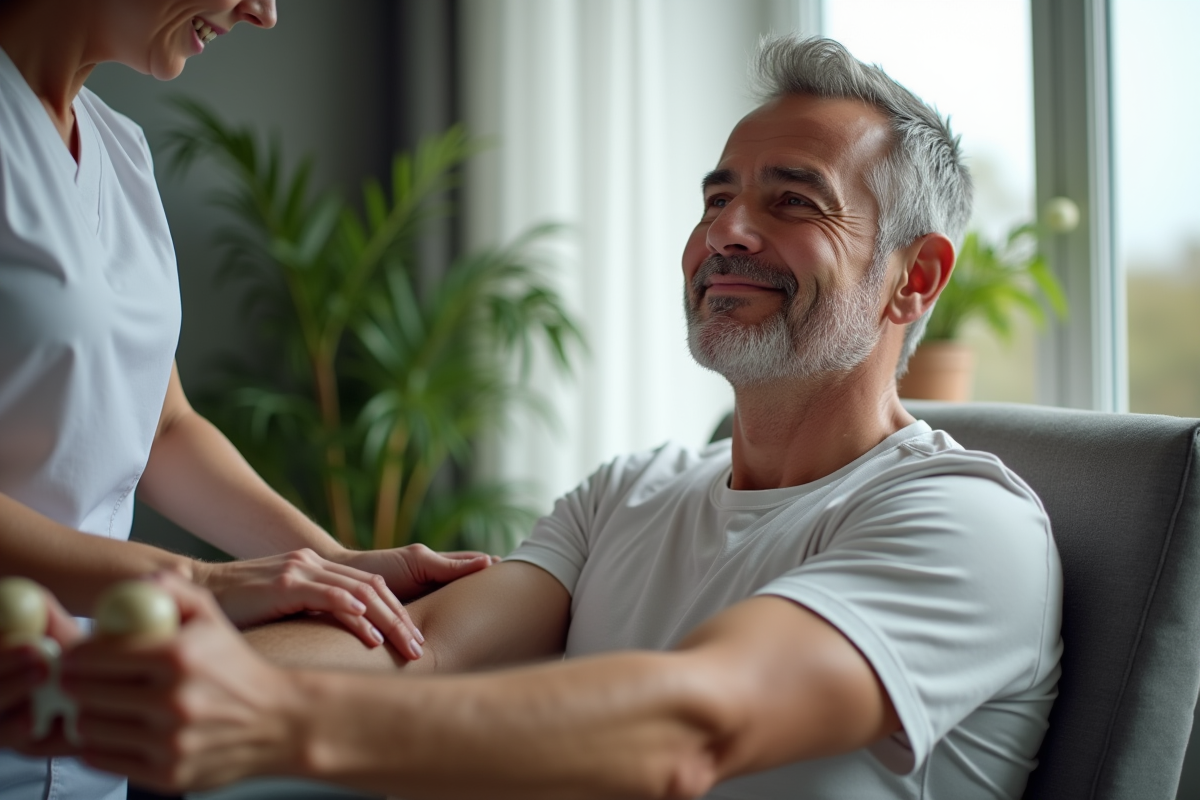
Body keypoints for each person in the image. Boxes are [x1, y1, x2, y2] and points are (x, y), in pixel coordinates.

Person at [1, 35, 1063, 800]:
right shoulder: (627, 495)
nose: (727, 232)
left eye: (793, 200)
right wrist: (102, 689)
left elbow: (689, 727)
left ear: (916, 277)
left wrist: (269, 716)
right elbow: (417, 653)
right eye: (715, 198)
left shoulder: (969, 525)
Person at [0, 2, 494, 798]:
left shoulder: (120, 150)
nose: (263, 11)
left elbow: (162, 426)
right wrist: (201, 584)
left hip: (86, 728)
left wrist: (334, 566)